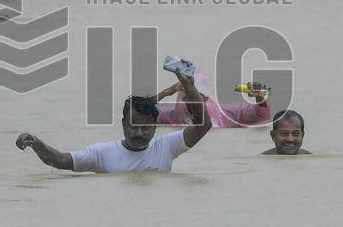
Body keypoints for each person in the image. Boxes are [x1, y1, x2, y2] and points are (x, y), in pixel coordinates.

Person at [16, 69, 212, 173]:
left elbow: (204, 126)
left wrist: (186, 84)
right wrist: (36, 143)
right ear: (123, 124)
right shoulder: (101, 153)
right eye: (133, 127)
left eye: (145, 128)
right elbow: (59, 160)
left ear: (155, 125)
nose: (139, 133)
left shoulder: (167, 147)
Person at [153, 71, 270, 128]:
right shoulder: (173, 117)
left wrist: (259, 96)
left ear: (206, 97)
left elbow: (260, 116)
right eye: (189, 96)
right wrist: (166, 92)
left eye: (198, 95)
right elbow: (140, 111)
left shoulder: (225, 113)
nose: (194, 101)